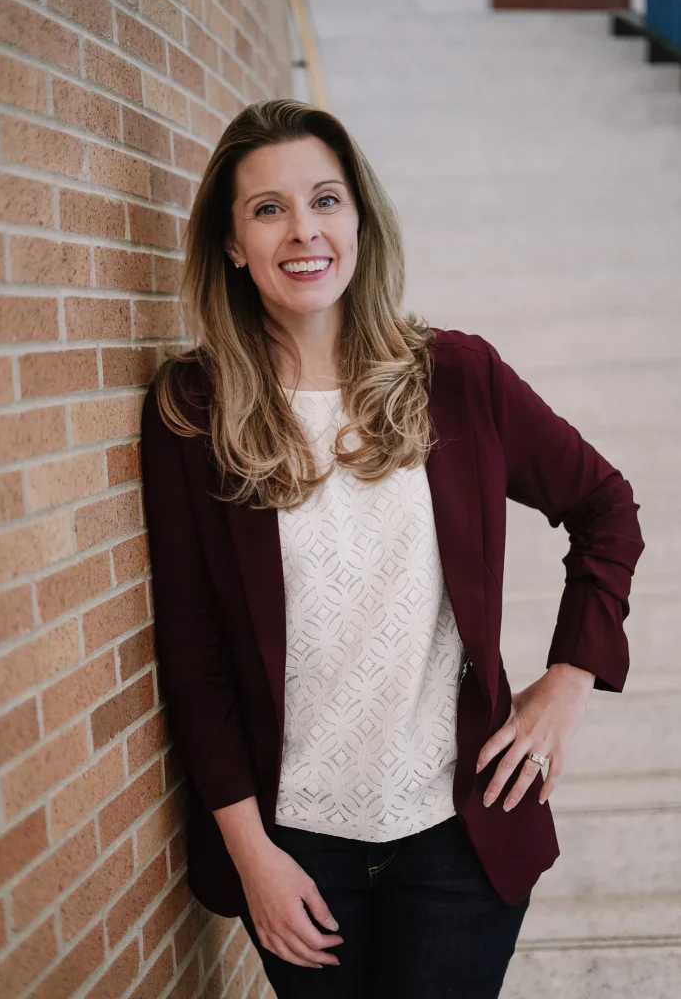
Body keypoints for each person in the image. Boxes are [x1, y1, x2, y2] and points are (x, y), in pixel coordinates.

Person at [140, 99, 645, 998]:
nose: (304, 231)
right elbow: (193, 653)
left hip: (459, 832)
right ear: (232, 244)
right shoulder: (193, 408)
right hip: (294, 848)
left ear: (360, 221)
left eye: (325, 200)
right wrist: (252, 855)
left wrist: (568, 681)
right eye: (268, 209)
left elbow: (604, 506)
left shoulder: (456, 376)